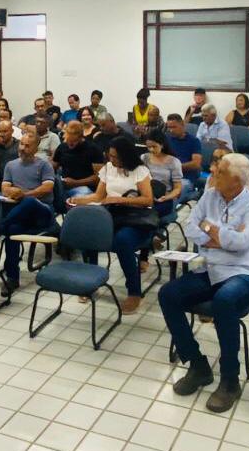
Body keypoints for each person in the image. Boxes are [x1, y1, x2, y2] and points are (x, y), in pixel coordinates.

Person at [158, 153, 249, 413]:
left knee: (224, 300)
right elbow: (190, 227)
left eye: (220, 171)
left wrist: (210, 229)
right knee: (168, 294)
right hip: (212, 268)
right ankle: (197, 365)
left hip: (244, 271)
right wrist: (223, 237)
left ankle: (230, 379)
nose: (213, 173)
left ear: (236, 179)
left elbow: (243, 244)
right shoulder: (210, 196)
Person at [71, 136, 154, 314]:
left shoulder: (139, 170)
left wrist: (120, 199)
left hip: (134, 219)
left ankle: (134, 292)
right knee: (89, 235)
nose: (111, 159)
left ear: (126, 155)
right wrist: (78, 200)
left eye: (115, 156)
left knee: (122, 241)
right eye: (110, 155)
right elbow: (98, 196)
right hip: (112, 216)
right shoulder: (108, 168)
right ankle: (89, 282)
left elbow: (148, 199)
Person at [0, 133, 57, 296]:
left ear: (36, 148)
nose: (22, 148)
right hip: (20, 214)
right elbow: (4, 187)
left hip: (42, 212)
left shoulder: (44, 165)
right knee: (12, 231)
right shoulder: (11, 165)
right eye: (21, 144)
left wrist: (24, 195)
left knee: (29, 202)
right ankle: (12, 278)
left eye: (27, 146)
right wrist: (12, 191)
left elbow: (47, 188)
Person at [139, 130, 183, 272]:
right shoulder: (144, 158)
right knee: (138, 212)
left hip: (164, 199)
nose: (151, 150)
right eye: (148, 147)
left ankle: (143, 256)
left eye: (154, 147)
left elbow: (177, 188)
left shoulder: (173, 162)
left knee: (148, 217)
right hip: (147, 196)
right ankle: (151, 238)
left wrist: (167, 197)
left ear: (162, 145)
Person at [52, 120, 104, 198]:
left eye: (74, 141)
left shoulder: (93, 149)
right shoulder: (62, 147)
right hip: (63, 185)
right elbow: (53, 166)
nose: (70, 144)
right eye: (68, 140)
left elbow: (99, 177)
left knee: (83, 194)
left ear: (81, 137)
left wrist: (76, 183)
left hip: (83, 186)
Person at [165, 113, 202, 203]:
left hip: (185, 178)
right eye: (169, 127)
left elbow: (196, 164)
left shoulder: (194, 141)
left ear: (182, 125)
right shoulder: (166, 139)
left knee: (175, 195)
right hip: (167, 176)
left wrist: (176, 168)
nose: (171, 130)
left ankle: (171, 208)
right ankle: (192, 195)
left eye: (174, 127)